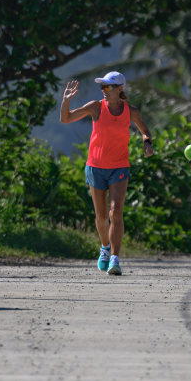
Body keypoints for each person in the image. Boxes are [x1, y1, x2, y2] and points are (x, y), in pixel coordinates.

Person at [59, 70, 154, 275]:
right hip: (95, 166)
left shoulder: (131, 111)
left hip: (119, 167)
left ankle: (115, 259)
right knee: (101, 216)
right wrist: (66, 101)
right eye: (102, 86)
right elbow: (66, 119)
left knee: (116, 212)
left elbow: (145, 130)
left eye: (108, 86)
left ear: (120, 89)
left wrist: (147, 143)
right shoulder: (96, 107)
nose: (104, 90)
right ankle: (104, 248)